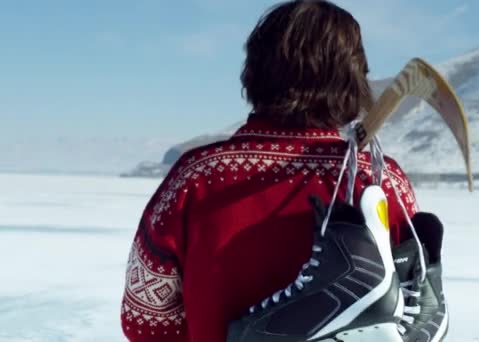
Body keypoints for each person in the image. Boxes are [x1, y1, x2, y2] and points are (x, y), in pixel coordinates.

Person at [120, 1, 429, 341]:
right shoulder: (382, 182)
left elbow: (144, 319)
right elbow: (415, 306)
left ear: (256, 71)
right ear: (353, 79)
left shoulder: (198, 178)